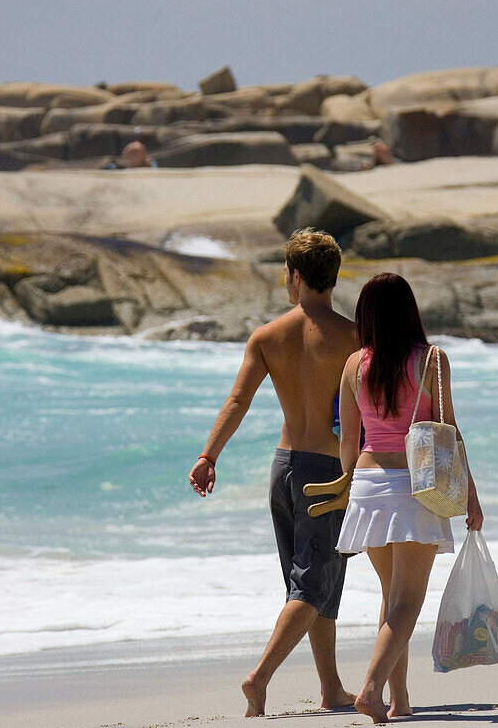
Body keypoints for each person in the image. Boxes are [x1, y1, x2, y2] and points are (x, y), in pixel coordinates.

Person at [188, 228, 359, 717]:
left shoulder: (268, 336)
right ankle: (259, 678)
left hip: (283, 469)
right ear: (331, 276)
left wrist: (208, 455)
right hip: (329, 472)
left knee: (310, 584)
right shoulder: (354, 337)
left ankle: (330, 689)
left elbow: (238, 400)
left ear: (295, 276)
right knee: (313, 584)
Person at [335, 273, 483, 724]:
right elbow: (450, 433)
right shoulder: (432, 360)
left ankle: (398, 702)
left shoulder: (353, 365)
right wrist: (471, 495)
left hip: (366, 484)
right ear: (410, 311)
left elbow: (347, 444)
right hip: (414, 488)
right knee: (408, 600)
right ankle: (371, 687)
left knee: (391, 595)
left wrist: (350, 485)